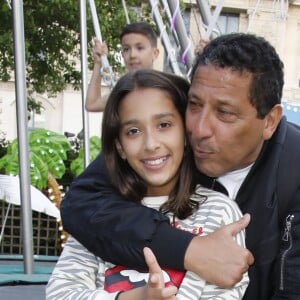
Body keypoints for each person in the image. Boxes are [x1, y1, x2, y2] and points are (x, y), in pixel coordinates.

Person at [61, 32, 300, 299]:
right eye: (194, 105)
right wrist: (189, 250)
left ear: (269, 120)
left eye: (224, 113)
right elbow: (81, 204)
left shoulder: (293, 170)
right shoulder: (161, 149)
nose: (198, 129)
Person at [47, 69, 249, 299]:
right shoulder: (101, 218)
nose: (151, 144)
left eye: (164, 125)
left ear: (185, 132)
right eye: (133, 131)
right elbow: (60, 293)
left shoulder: (218, 212)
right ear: (120, 147)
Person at [85, 22, 159, 112]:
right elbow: (91, 104)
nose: (132, 55)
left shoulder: (166, 91)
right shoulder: (124, 92)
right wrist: (98, 63)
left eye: (139, 48)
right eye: (126, 49)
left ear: (154, 53)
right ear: (122, 54)